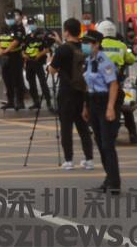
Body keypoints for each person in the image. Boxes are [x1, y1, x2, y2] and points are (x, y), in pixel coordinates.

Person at [48, 18, 94, 171]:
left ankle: (68, 160)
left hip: (67, 92)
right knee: (83, 126)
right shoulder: (85, 48)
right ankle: (89, 159)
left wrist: (49, 62)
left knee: (66, 127)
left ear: (66, 31)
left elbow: (52, 70)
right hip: (83, 91)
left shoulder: (62, 50)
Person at [81, 30, 122, 194]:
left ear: (96, 44)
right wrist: (85, 107)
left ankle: (115, 183)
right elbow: (88, 85)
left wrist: (110, 107)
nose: (84, 45)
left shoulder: (105, 61)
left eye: (87, 43)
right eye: (83, 42)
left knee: (107, 144)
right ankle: (109, 178)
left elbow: (113, 84)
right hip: (93, 102)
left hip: (105, 102)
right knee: (99, 142)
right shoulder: (88, 61)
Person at [96, 20, 137, 144]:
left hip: (99, 86)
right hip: (116, 85)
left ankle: (104, 134)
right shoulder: (121, 45)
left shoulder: (97, 45)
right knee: (125, 108)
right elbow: (131, 59)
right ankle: (133, 134)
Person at [0, 10, 27, 111]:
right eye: (8, 18)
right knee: (7, 80)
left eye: (11, 18)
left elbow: (16, 41)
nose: (9, 20)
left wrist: (6, 50)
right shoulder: (2, 29)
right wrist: (0, 50)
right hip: (4, 58)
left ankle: (20, 102)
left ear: (14, 19)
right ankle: (10, 102)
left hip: (15, 57)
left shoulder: (19, 28)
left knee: (17, 80)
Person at [22, 19, 54, 112]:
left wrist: (39, 55)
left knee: (43, 82)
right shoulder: (27, 37)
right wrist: (24, 57)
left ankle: (48, 102)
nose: (31, 25)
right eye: (30, 24)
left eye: (33, 23)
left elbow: (47, 49)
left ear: (36, 24)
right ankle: (36, 102)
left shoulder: (42, 36)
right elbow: (23, 50)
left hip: (39, 62)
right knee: (31, 83)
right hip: (29, 63)